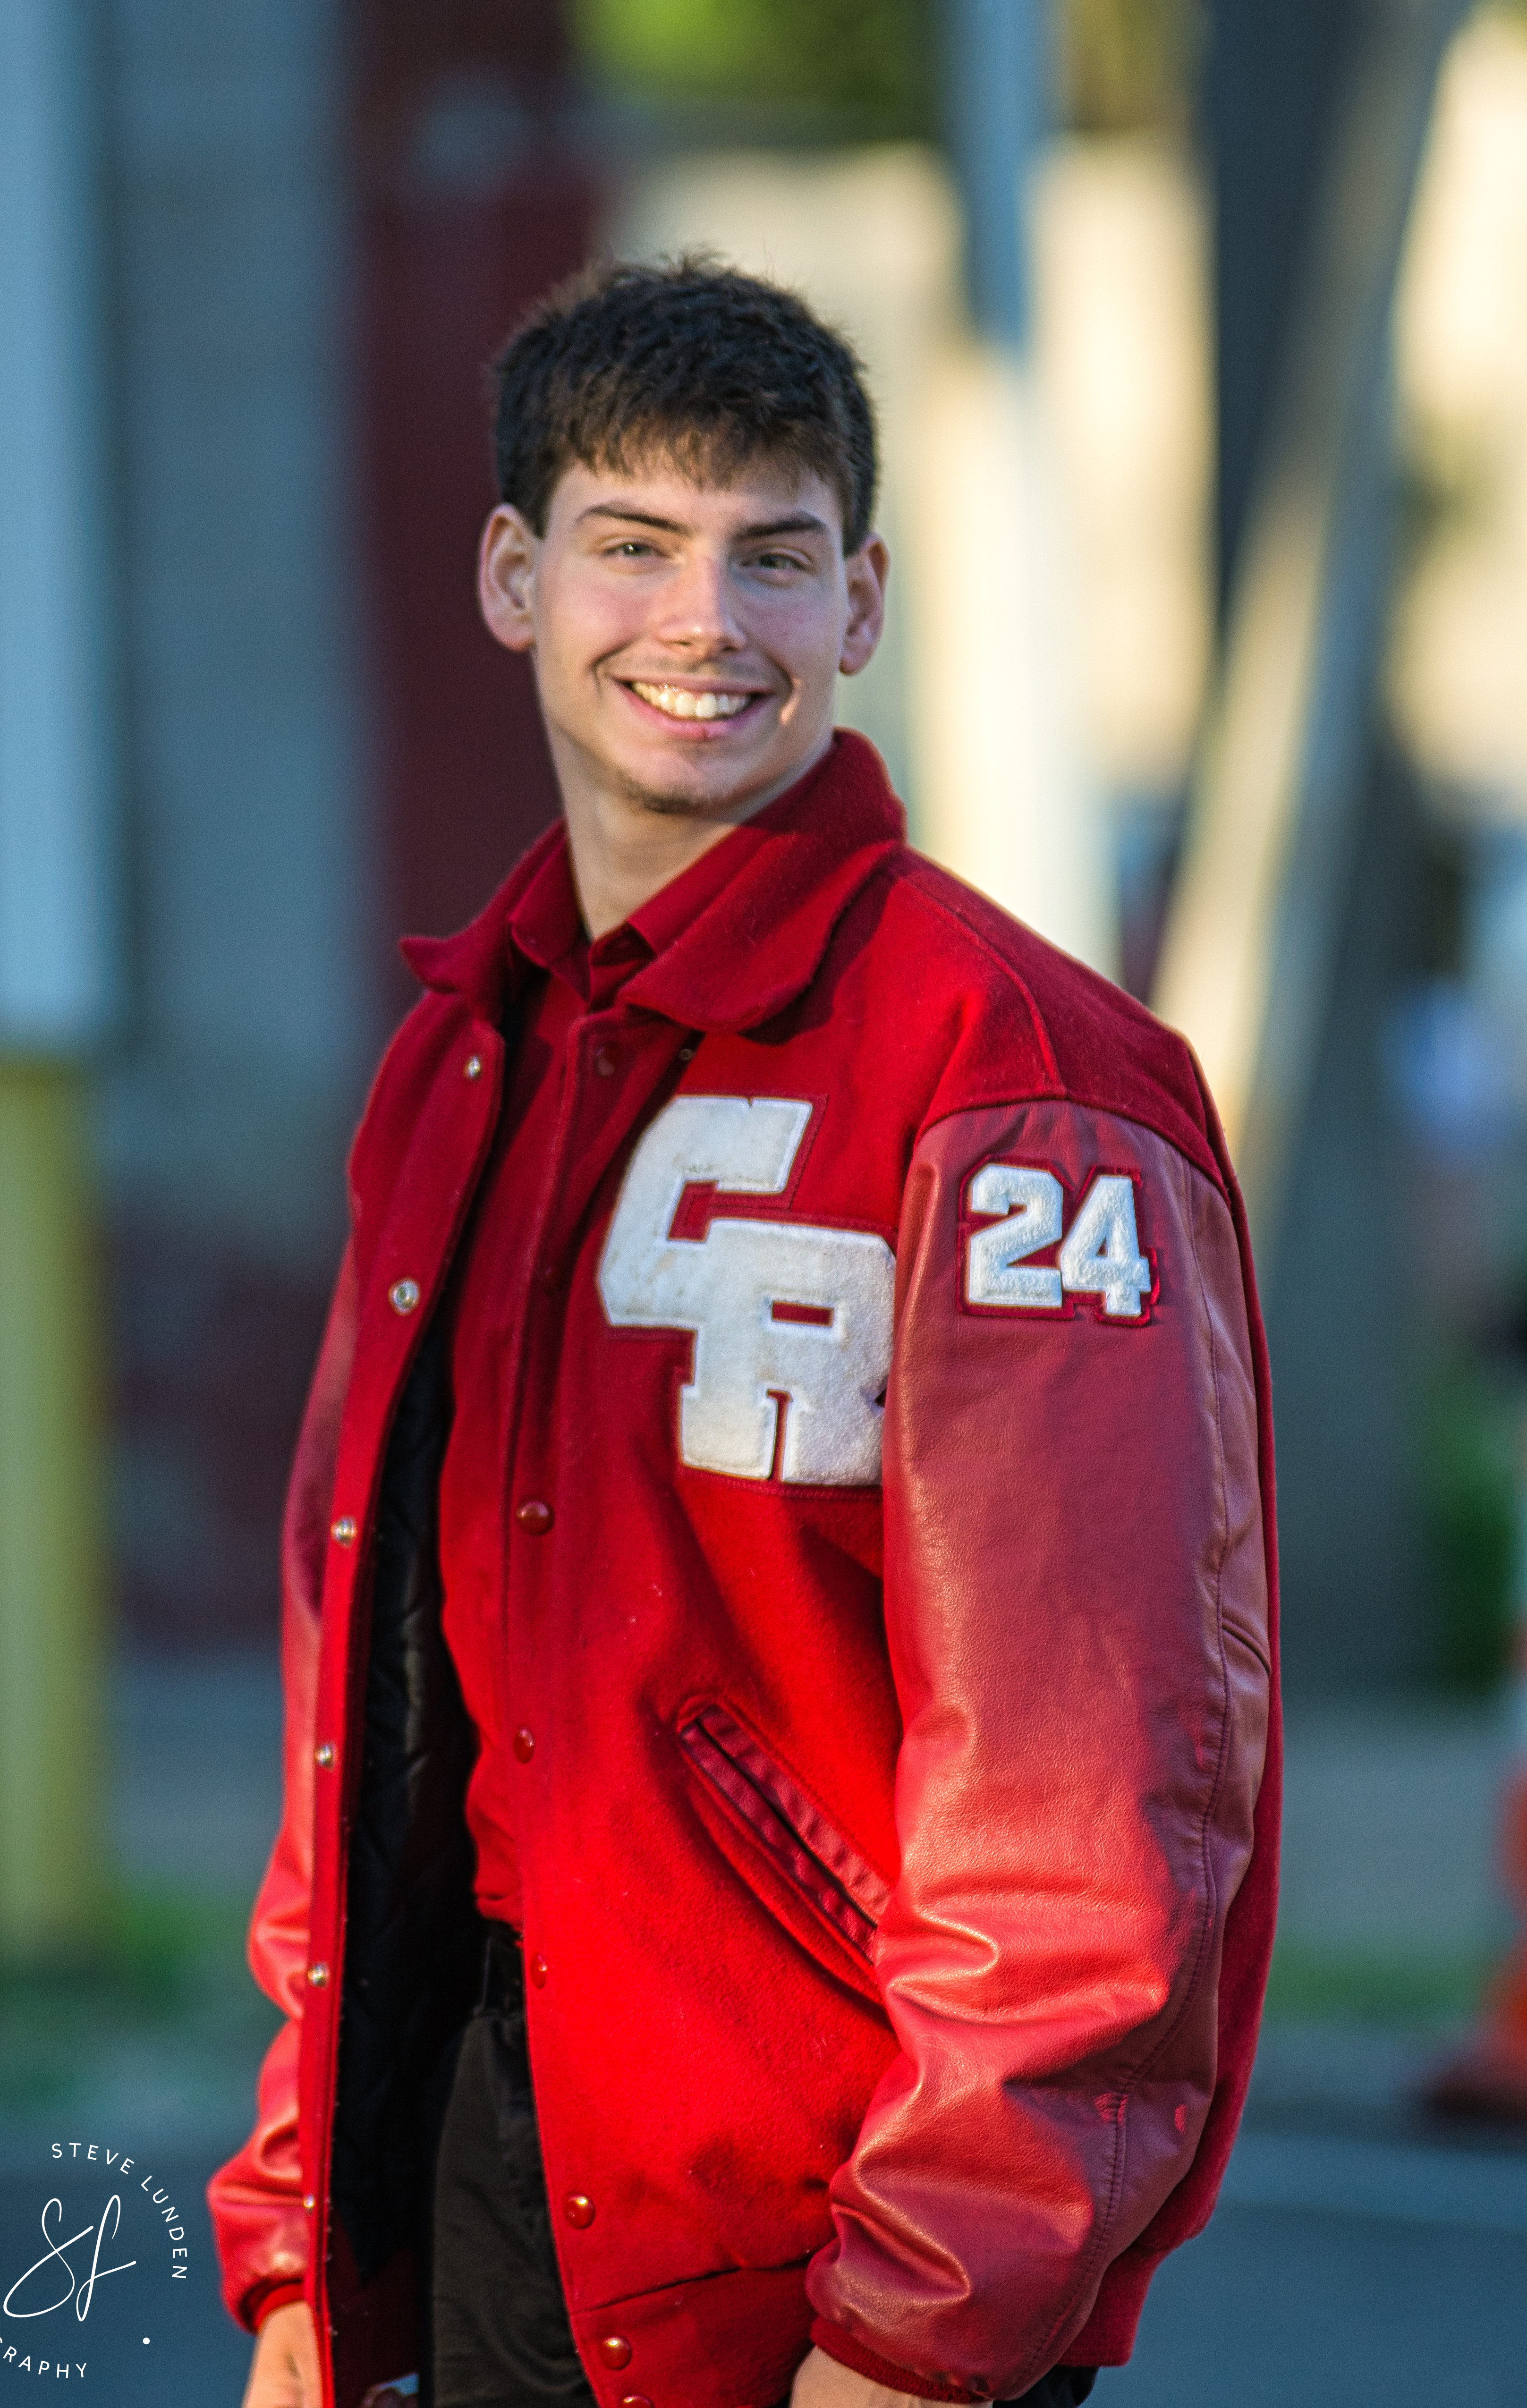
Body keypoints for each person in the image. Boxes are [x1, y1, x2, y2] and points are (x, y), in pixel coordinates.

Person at [210, 258, 1279, 2408]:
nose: (702, 622)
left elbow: (1100, 1783)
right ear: (515, 577)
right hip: (482, 2177)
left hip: (831, 2243)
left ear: (860, 603)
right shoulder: (460, 1061)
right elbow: (370, 1689)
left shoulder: (1009, 1073)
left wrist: (929, 2311)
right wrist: (304, 2237)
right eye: (632, 546)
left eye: (769, 557)